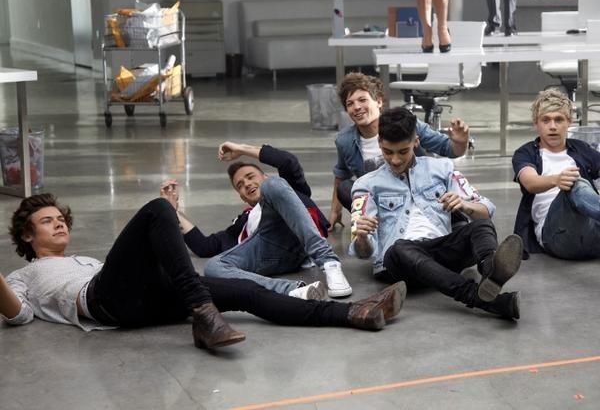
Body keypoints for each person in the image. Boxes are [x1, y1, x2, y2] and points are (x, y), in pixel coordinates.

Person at [0, 194, 407, 350]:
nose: (59, 224)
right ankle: (203, 312)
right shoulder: (24, 275)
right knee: (157, 210)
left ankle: (354, 313)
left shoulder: (87, 260)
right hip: (104, 302)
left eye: (60, 218)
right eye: (47, 221)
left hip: (143, 302)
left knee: (242, 293)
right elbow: (17, 315)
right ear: (26, 235)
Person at [349, 107, 523, 320]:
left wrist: (465, 205)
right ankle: (478, 297)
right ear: (380, 144)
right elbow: (364, 252)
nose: (395, 160)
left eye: (403, 151)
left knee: (480, 225)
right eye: (388, 152)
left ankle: (491, 270)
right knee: (399, 249)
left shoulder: (442, 168)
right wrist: (362, 237)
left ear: (416, 141)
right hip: (400, 264)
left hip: (441, 251)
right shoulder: (365, 185)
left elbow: (485, 209)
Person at [162, 141, 352, 300]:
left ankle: (330, 264)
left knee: (273, 186)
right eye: (240, 186)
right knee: (213, 267)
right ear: (242, 197)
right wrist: (171, 211)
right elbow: (204, 246)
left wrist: (242, 149)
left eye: (250, 177)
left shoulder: (291, 191)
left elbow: (288, 162)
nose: (247, 184)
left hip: (300, 239)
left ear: (264, 176)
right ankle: (291, 290)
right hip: (269, 252)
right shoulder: (242, 222)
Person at [329, 72, 470, 228]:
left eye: (362, 100)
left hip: (419, 193)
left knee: (460, 222)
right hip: (384, 202)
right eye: (350, 103)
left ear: (379, 102)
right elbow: (341, 175)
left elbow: (449, 149)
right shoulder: (345, 141)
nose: (357, 107)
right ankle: (381, 225)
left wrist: (461, 143)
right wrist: (335, 212)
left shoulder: (406, 124)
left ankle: (444, 218)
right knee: (345, 189)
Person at [512, 89, 600, 259]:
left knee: (575, 182)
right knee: (574, 182)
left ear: (569, 122)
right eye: (546, 120)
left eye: (559, 120)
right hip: (556, 236)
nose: (552, 126)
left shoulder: (580, 148)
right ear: (536, 124)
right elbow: (530, 183)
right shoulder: (526, 153)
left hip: (592, 231)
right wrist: (557, 180)